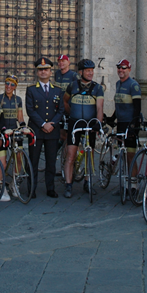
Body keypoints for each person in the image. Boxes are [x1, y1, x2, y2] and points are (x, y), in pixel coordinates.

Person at [62, 59, 104, 198]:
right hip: (75, 123)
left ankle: (87, 181)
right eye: (87, 70)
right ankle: (68, 185)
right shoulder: (72, 86)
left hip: (90, 124)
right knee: (71, 155)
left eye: (92, 70)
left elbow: (99, 107)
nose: (91, 73)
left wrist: (98, 122)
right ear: (80, 72)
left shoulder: (97, 88)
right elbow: (65, 101)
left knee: (89, 154)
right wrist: (70, 113)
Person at [25, 57, 65, 198]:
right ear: (37, 72)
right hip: (36, 130)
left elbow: (60, 110)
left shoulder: (58, 90)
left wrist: (51, 124)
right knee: (33, 161)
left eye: (46, 69)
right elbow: (30, 110)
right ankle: (32, 188)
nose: (43, 72)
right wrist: (43, 124)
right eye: (41, 70)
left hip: (52, 131)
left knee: (51, 161)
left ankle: (50, 188)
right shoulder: (31, 90)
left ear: (50, 71)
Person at [107, 59, 141, 166]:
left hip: (130, 123)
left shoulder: (133, 85)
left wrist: (133, 124)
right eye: (119, 67)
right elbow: (119, 105)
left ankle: (133, 182)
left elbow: (137, 107)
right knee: (124, 153)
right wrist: (112, 118)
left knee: (130, 156)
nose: (121, 70)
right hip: (121, 122)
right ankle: (125, 180)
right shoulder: (118, 84)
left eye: (124, 68)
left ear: (129, 69)